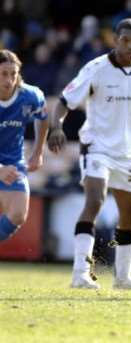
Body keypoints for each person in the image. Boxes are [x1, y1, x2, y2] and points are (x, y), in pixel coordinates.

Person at [48, 18, 131, 291]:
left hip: (127, 152)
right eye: (126, 40)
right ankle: (80, 273)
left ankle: (122, 278)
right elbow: (64, 103)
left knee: (129, 212)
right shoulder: (96, 68)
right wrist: (56, 126)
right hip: (97, 146)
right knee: (95, 201)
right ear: (115, 40)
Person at [0, 49, 49, 241]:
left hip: (14, 161)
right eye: (3, 74)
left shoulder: (30, 96)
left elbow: (43, 119)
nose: (9, 80)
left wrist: (38, 153)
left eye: (13, 74)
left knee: (18, 215)